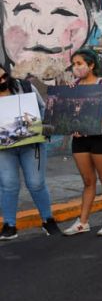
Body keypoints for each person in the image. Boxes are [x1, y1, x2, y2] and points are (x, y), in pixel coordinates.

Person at [61, 49, 102, 237]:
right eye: (74, 64)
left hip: (101, 137)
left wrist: (92, 123)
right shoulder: (73, 87)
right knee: (87, 181)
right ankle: (83, 222)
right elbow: (68, 114)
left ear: (91, 65)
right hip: (80, 140)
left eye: (79, 64)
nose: (75, 68)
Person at [0, 68, 59, 240]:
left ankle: (48, 220)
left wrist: (42, 127)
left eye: (4, 76)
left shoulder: (25, 87)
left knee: (36, 183)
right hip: (4, 149)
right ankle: (9, 225)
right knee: (8, 184)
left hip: (31, 145)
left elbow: (42, 108)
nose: (2, 81)